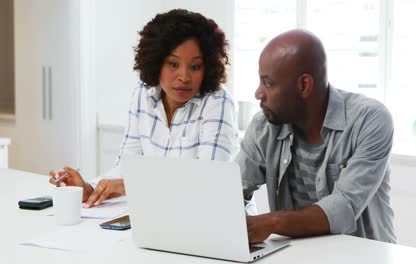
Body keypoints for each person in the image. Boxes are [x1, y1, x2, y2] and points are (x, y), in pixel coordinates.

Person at [49, 9, 239, 208]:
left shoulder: (218, 102)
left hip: (213, 220)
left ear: (207, 67)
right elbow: (126, 168)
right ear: (156, 63)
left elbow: (207, 183)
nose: (184, 76)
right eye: (173, 64)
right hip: (161, 215)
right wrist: (89, 189)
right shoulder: (143, 95)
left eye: (195, 66)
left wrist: (132, 185)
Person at [237, 29, 396, 244]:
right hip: (298, 257)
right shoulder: (263, 125)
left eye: (268, 83)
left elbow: (342, 208)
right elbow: (233, 188)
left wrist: (272, 222)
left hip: (362, 257)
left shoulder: (369, 120)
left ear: (304, 85)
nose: (258, 93)